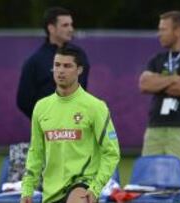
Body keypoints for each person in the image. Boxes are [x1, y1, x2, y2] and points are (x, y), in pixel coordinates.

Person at [21, 47, 120, 203]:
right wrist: (27, 190)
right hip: (51, 192)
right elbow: (36, 152)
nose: (60, 71)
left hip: (82, 185)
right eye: (57, 65)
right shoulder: (41, 107)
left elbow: (111, 152)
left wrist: (95, 188)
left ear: (79, 70)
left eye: (67, 66)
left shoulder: (95, 107)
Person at [139, 11, 180, 203]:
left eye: (163, 29)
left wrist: (159, 82)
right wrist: (175, 79)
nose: (159, 34)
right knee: (148, 182)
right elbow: (144, 85)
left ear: (177, 31)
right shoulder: (157, 58)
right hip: (155, 129)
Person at [16, 7, 90, 119]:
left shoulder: (80, 56)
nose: (71, 29)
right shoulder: (35, 61)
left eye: (71, 24)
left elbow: (82, 91)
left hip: (76, 126)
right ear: (51, 28)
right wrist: (46, 121)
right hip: (49, 132)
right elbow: (23, 101)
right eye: (65, 25)